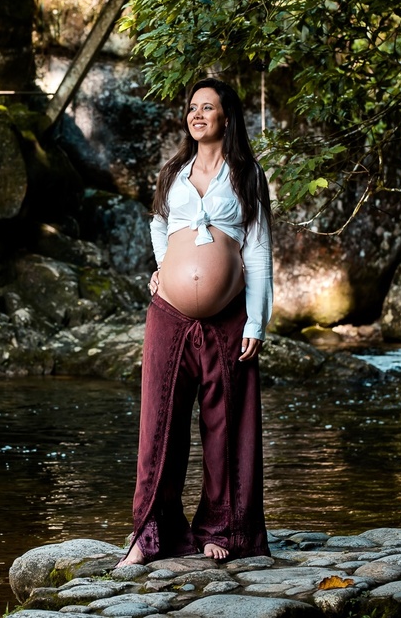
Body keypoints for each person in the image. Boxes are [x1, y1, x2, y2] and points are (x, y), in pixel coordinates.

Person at [118, 77, 273, 566]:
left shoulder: (247, 175)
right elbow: (158, 224)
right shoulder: (174, 172)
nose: (197, 114)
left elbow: (259, 251)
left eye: (208, 107)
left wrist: (256, 323)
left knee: (226, 425)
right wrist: (164, 268)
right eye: (192, 108)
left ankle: (223, 530)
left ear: (228, 116)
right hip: (168, 313)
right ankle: (150, 537)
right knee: (159, 421)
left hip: (229, 318)